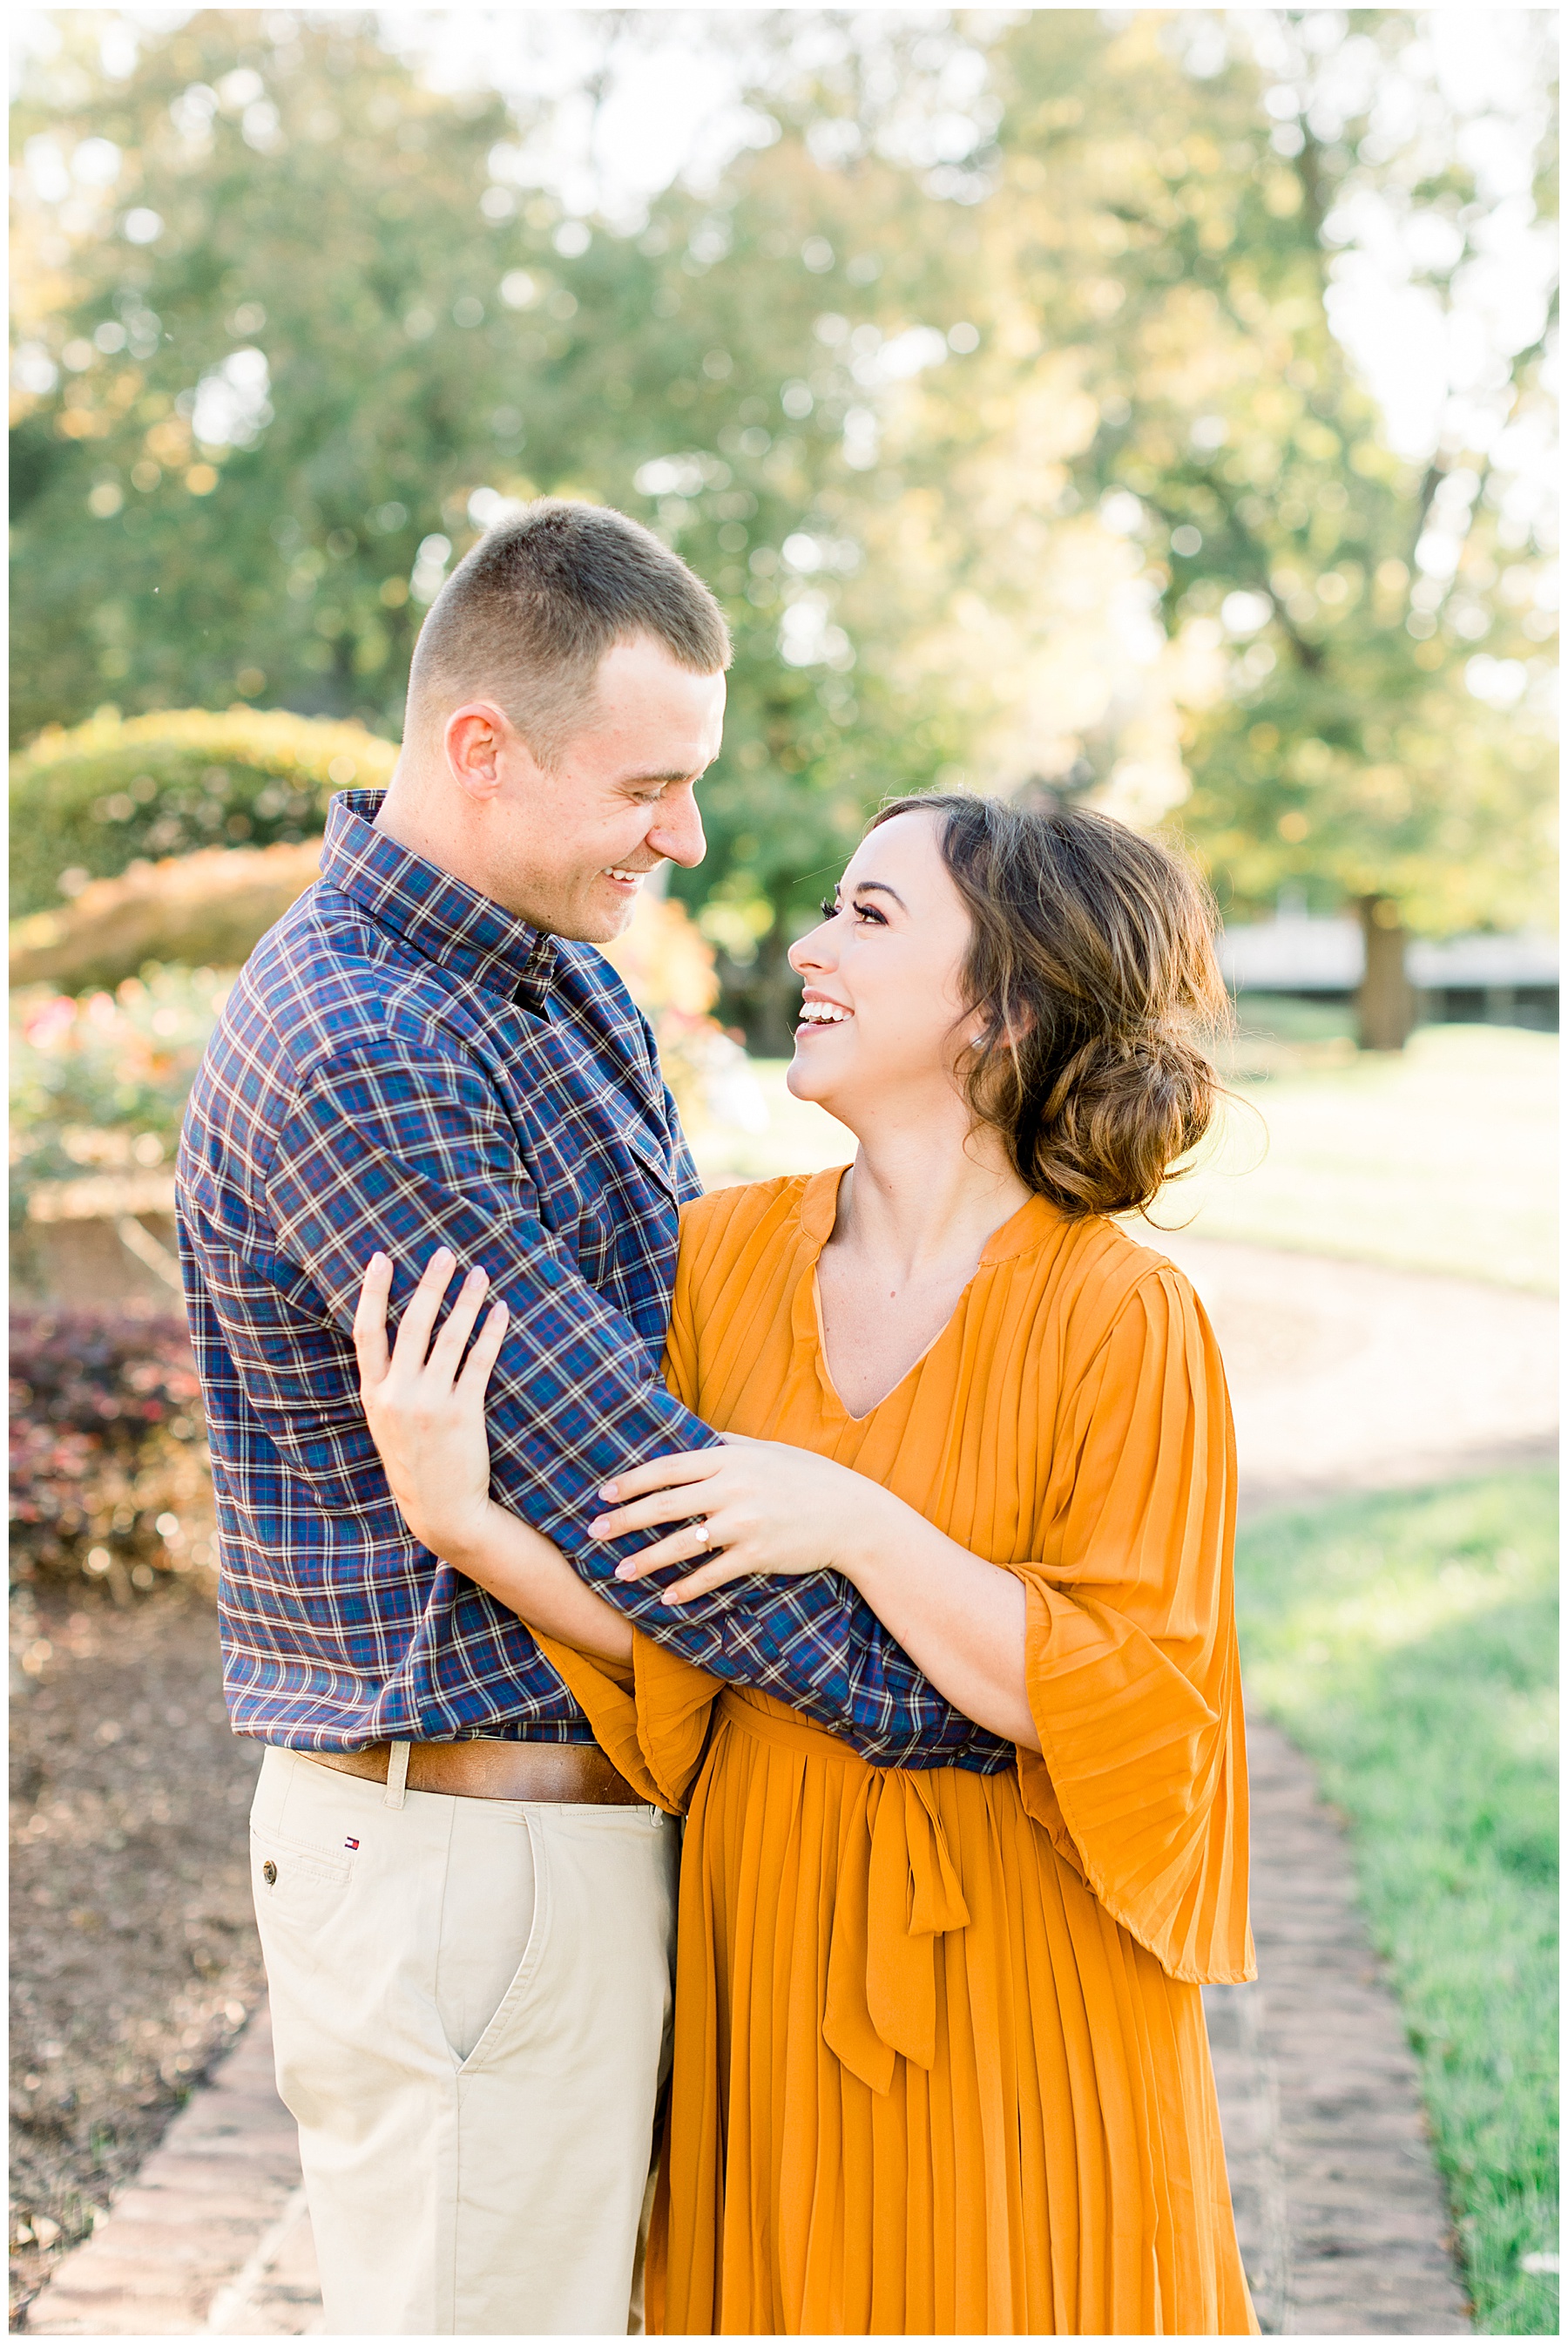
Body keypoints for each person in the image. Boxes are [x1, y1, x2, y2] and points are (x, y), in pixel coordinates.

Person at [176, 501, 1001, 2338]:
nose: (688, 836)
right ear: (485, 746)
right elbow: (646, 1492)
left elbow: (716, 1362)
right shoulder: (364, 1042)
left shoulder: (563, 996)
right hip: (475, 1863)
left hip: (593, 1835)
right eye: (650, 784)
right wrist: (969, 1715)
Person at [352, 789, 1260, 2336]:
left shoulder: (1127, 1319)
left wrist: (858, 1523)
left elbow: (1132, 1699)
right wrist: (466, 1523)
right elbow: (675, 1637)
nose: (807, 940)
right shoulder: (719, 1259)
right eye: (833, 904)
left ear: (1007, 1005)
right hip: (762, 1946)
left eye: (869, 914)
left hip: (1021, 1975)